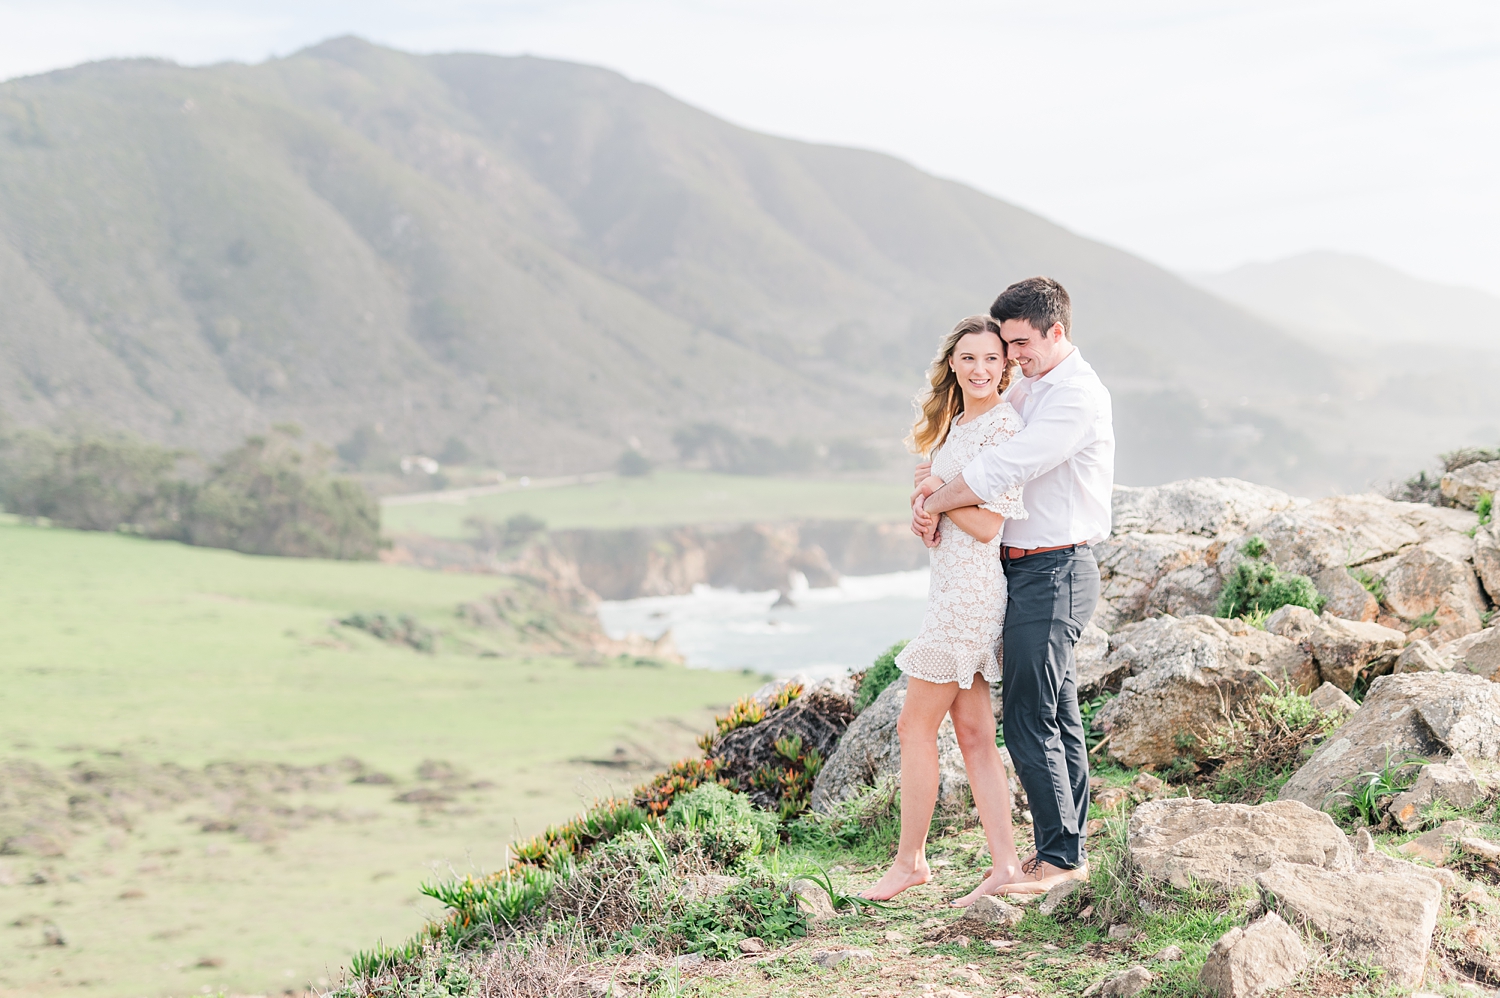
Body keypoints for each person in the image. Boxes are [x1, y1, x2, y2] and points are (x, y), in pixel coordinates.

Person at [915, 277, 1114, 895]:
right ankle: (1063, 851)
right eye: (1007, 345)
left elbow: (1008, 466)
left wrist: (936, 498)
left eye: (1020, 344)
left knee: (1030, 715)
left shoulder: (1075, 397)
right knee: (1058, 713)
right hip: (1023, 568)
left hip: (1057, 568)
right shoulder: (1032, 385)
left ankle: (1058, 860)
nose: (1012, 358)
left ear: (1057, 332)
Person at [859, 315, 1029, 905]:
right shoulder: (956, 425)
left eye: (991, 358)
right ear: (952, 365)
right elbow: (947, 522)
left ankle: (909, 861)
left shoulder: (1003, 429)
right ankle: (1006, 865)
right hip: (952, 588)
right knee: (977, 735)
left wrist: (935, 493)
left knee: (914, 727)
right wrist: (923, 508)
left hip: (970, 598)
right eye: (969, 358)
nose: (981, 369)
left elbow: (985, 525)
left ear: (1005, 366)